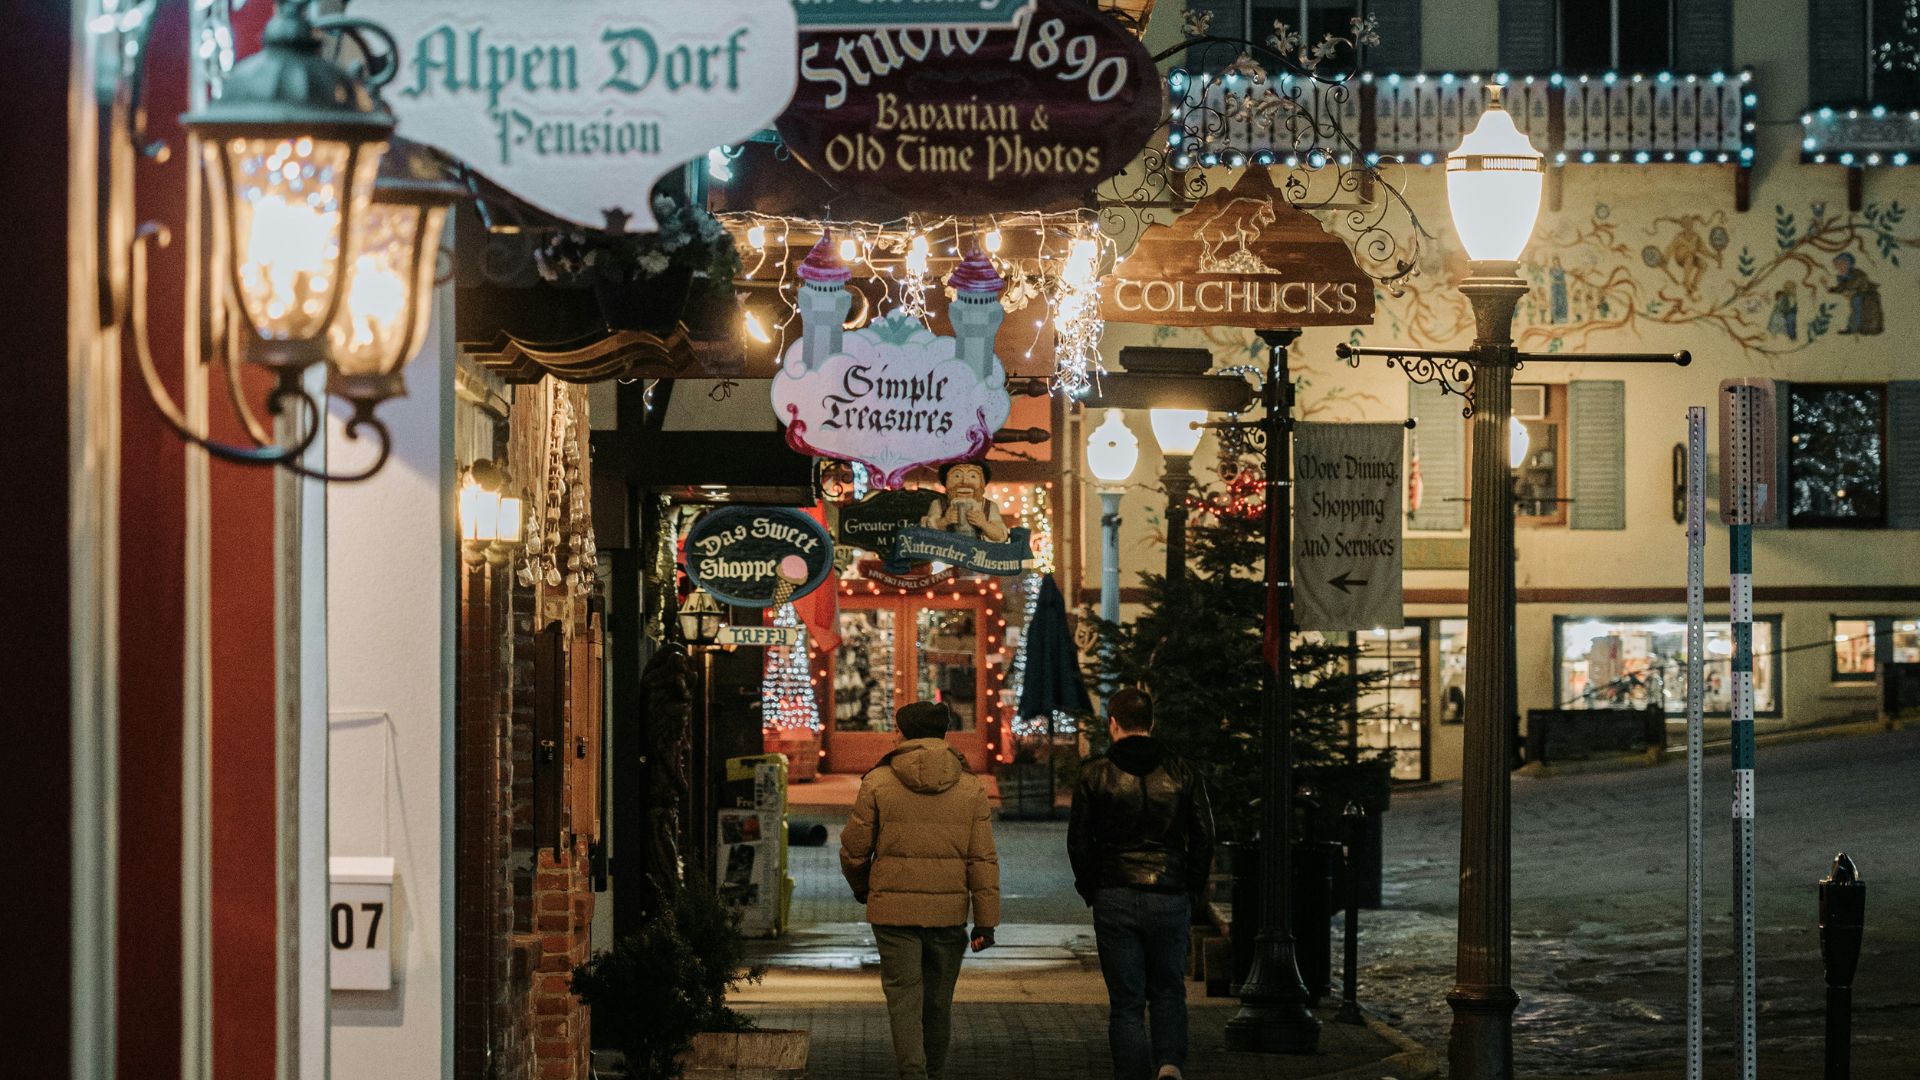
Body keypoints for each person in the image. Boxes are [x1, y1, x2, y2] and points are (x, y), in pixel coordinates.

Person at [840, 701, 1000, 1080]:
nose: (893, 735)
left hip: (893, 914)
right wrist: (986, 923)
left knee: (903, 1000)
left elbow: (854, 849)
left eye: (896, 729)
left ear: (905, 733)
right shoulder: (970, 787)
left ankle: (914, 1074)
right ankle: (935, 1072)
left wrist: (865, 888)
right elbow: (982, 860)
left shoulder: (877, 782)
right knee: (938, 1003)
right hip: (948, 916)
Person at [1069, 688, 1215, 1080]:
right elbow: (1204, 835)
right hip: (1168, 890)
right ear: (1151, 723)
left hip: (1114, 891)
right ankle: (1169, 1065)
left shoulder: (1095, 772)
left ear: (1113, 724)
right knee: (1168, 989)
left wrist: (1091, 887)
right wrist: (1192, 887)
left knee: (1126, 1001)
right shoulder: (1182, 770)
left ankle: (1132, 1073)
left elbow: (1079, 840)